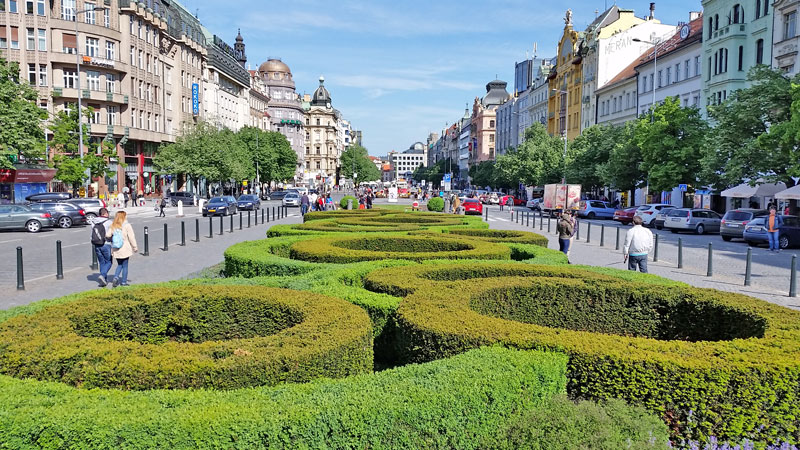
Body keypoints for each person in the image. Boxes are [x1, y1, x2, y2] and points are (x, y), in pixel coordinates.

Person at [106, 211, 138, 287]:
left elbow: (107, 235)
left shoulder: (113, 225)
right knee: (125, 265)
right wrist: (135, 247)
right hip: (125, 247)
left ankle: (116, 277)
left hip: (116, 248)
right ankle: (123, 282)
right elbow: (131, 237)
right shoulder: (127, 225)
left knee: (119, 264)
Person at [90, 207, 113, 287]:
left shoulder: (93, 222)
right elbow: (111, 233)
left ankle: (104, 280)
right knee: (109, 262)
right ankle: (103, 275)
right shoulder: (109, 222)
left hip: (96, 244)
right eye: (107, 213)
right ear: (105, 214)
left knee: (102, 262)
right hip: (106, 243)